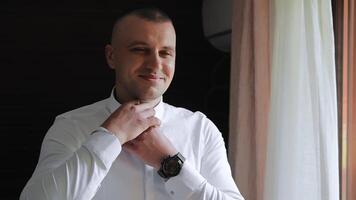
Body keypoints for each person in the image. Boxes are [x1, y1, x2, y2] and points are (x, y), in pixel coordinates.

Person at [20, 6, 244, 200]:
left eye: (165, 53)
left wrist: (170, 163)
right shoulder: (70, 126)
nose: (155, 64)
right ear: (111, 56)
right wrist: (110, 136)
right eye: (140, 50)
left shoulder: (201, 130)